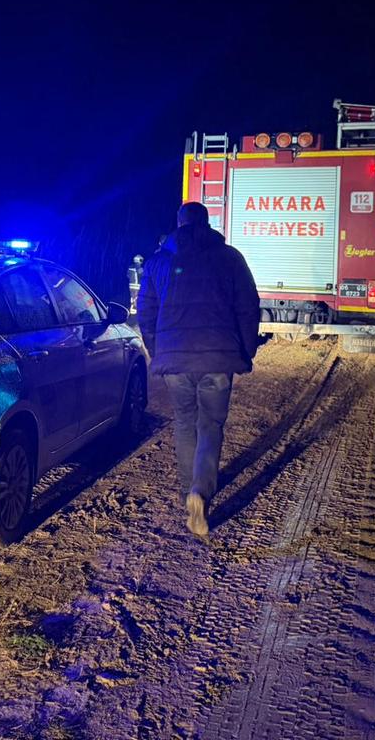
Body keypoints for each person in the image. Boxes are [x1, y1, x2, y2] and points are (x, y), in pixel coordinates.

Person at [137, 201, 260, 538]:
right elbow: (248, 307)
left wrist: (158, 351)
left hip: (175, 360)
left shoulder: (159, 261)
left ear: (179, 224)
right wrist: (245, 349)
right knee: (210, 425)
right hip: (218, 358)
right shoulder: (230, 258)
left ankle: (188, 491)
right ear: (207, 224)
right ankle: (200, 492)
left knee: (184, 423)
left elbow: (145, 313)